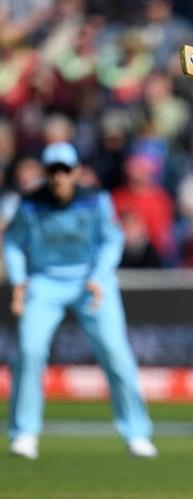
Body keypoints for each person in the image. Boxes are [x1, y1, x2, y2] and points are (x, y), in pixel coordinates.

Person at [3, 142, 157, 460]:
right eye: (53, 171)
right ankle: (24, 433)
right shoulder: (30, 204)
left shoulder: (96, 201)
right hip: (44, 282)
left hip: (91, 283)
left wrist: (99, 274)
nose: (59, 177)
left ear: (76, 172)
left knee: (116, 353)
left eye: (65, 170)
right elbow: (14, 243)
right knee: (29, 352)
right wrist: (19, 281)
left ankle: (136, 433)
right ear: (46, 174)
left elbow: (111, 239)